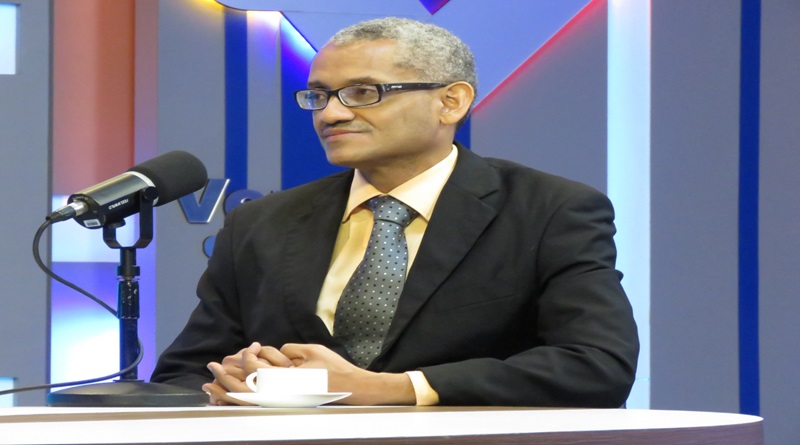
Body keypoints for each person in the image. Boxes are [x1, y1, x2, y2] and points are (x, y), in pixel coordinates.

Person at [151, 17, 639, 407]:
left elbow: (596, 365)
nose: (331, 114)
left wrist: (393, 388)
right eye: (319, 96)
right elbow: (182, 374)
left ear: (451, 102)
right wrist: (228, 387)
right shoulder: (261, 223)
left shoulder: (549, 210)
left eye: (364, 93)